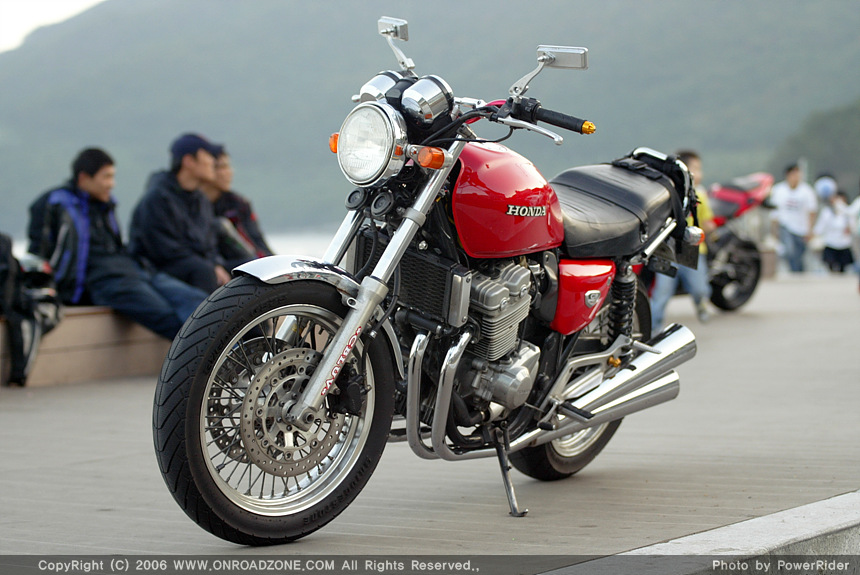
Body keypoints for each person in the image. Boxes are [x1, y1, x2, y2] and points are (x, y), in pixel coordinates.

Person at [31, 147, 207, 339]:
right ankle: (204, 353)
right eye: (106, 177)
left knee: (197, 301)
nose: (111, 184)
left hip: (135, 270)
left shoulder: (105, 206)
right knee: (166, 316)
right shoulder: (56, 203)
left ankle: (222, 348)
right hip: (104, 281)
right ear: (84, 178)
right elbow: (39, 253)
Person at [129, 133, 231, 293]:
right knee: (203, 271)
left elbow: (209, 243)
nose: (213, 161)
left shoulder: (200, 199)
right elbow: (166, 251)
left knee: (244, 268)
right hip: (159, 269)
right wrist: (210, 265)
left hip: (196, 263)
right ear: (189, 161)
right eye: (208, 155)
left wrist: (215, 263)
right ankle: (209, 310)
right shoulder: (158, 198)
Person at [650, 150, 716, 332]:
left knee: (699, 288)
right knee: (662, 292)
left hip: (693, 250)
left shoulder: (700, 195)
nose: (699, 174)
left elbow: (707, 221)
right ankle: (654, 328)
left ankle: (701, 303)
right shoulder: (668, 194)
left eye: (699, 169)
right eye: (695, 169)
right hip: (668, 250)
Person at [199, 146, 273, 269]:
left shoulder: (238, 203)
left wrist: (273, 264)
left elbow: (257, 241)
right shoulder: (190, 204)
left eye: (228, 166)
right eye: (222, 167)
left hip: (244, 263)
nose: (229, 172)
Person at [769, 163, 818, 273]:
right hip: (785, 225)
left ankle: (798, 272)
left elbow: (812, 211)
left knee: (799, 254)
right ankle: (793, 271)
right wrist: (774, 231)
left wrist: (810, 229)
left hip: (801, 228)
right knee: (789, 250)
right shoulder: (779, 190)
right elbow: (774, 212)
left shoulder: (807, 191)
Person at [813, 190, 855, 273]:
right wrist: (814, 235)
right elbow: (820, 227)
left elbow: (853, 228)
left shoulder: (848, 213)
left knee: (843, 269)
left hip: (844, 244)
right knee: (830, 266)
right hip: (830, 243)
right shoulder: (827, 212)